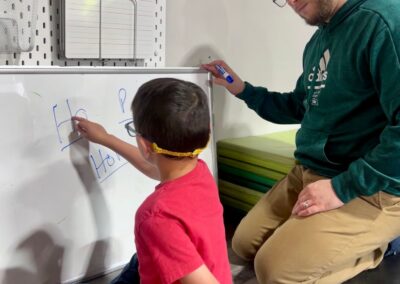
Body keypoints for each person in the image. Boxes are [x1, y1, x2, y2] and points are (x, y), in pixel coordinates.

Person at [203, 0, 400, 282]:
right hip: (310, 172)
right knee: (244, 244)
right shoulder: (319, 40)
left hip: (369, 186)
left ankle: (380, 245)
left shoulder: (385, 20)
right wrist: (242, 88)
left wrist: (340, 189)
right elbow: (299, 106)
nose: (290, 1)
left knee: (274, 271)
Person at [72, 78, 232, 284]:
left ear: (144, 145)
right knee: (138, 260)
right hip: (203, 265)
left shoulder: (157, 216)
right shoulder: (199, 171)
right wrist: (106, 138)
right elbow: (151, 167)